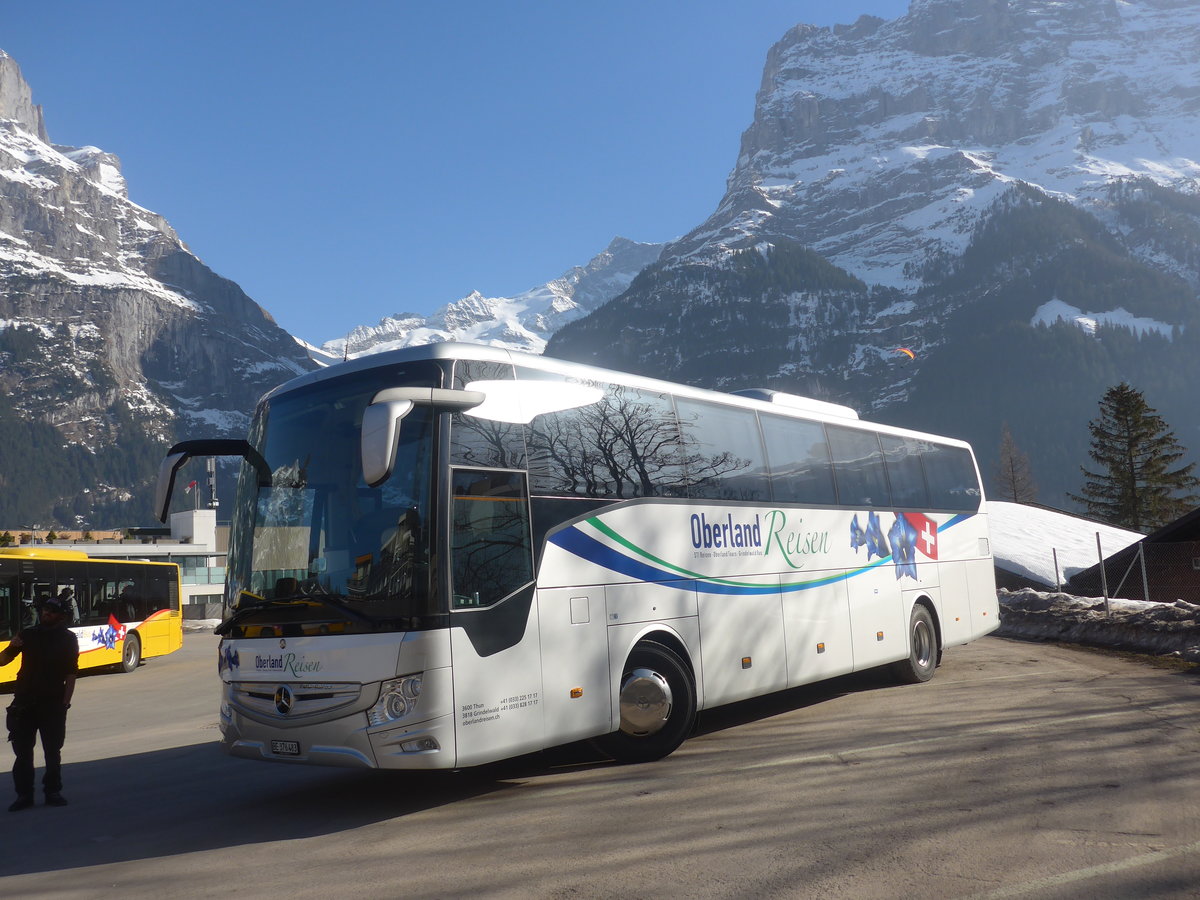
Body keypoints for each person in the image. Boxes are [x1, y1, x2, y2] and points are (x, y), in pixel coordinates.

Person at [1, 595, 79, 812]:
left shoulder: (68, 639)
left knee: (52, 752)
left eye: (52, 612)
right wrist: (10, 647)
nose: (46, 614)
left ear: (61, 616)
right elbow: (3, 660)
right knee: (23, 753)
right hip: (24, 703)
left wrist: (65, 703)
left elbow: (71, 673)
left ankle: (52, 791)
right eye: (45, 610)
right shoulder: (28, 634)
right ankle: (24, 795)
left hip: (52, 704)